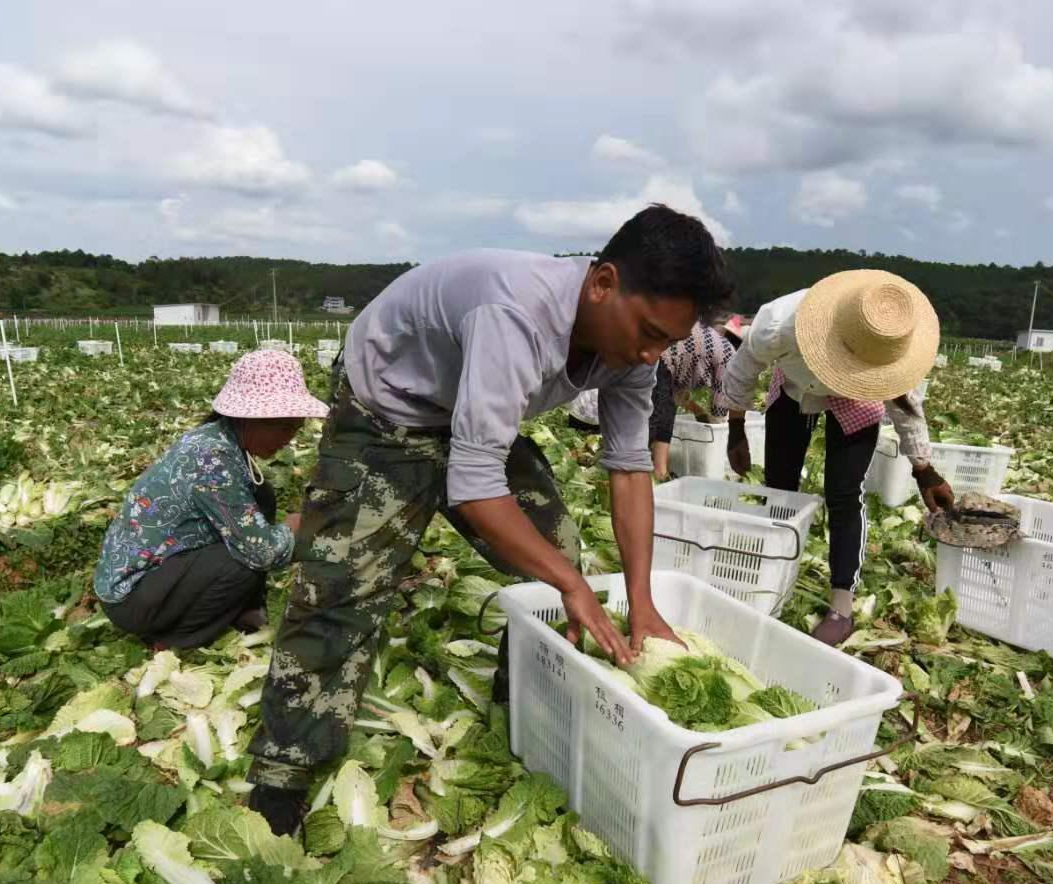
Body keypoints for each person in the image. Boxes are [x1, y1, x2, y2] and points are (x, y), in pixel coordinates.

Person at [247, 204, 734, 834]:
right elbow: (476, 488)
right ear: (603, 282)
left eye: (667, 341)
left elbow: (631, 466)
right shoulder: (515, 314)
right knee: (341, 585)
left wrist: (640, 600)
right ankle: (284, 772)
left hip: (467, 415)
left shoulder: (636, 351)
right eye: (646, 332)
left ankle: (523, 699)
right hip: (385, 408)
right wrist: (573, 585)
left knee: (557, 549)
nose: (650, 353)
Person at [722, 270, 955, 647]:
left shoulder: (889, 349)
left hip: (858, 397)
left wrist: (923, 469)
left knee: (845, 493)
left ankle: (841, 605)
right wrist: (736, 428)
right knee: (780, 488)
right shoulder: (779, 324)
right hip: (796, 386)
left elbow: (905, 408)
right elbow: (742, 368)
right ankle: (768, 578)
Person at [92, 350, 327, 649]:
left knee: (261, 497)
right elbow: (261, 553)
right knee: (242, 563)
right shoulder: (211, 459)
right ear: (250, 419)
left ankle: (242, 610)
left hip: (159, 576)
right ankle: (175, 640)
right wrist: (293, 529)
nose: (288, 439)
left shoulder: (219, 440)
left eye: (295, 429)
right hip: (132, 596)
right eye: (283, 428)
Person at [648, 316, 742, 481]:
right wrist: (718, 433)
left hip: (656, 350)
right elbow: (719, 404)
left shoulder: (713, 342)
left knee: (655, 412)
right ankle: (658, 472)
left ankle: (651, 465)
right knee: (662, 417)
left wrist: (698, 412)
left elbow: (678, 393)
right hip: (662, 356)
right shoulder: (729, 355)